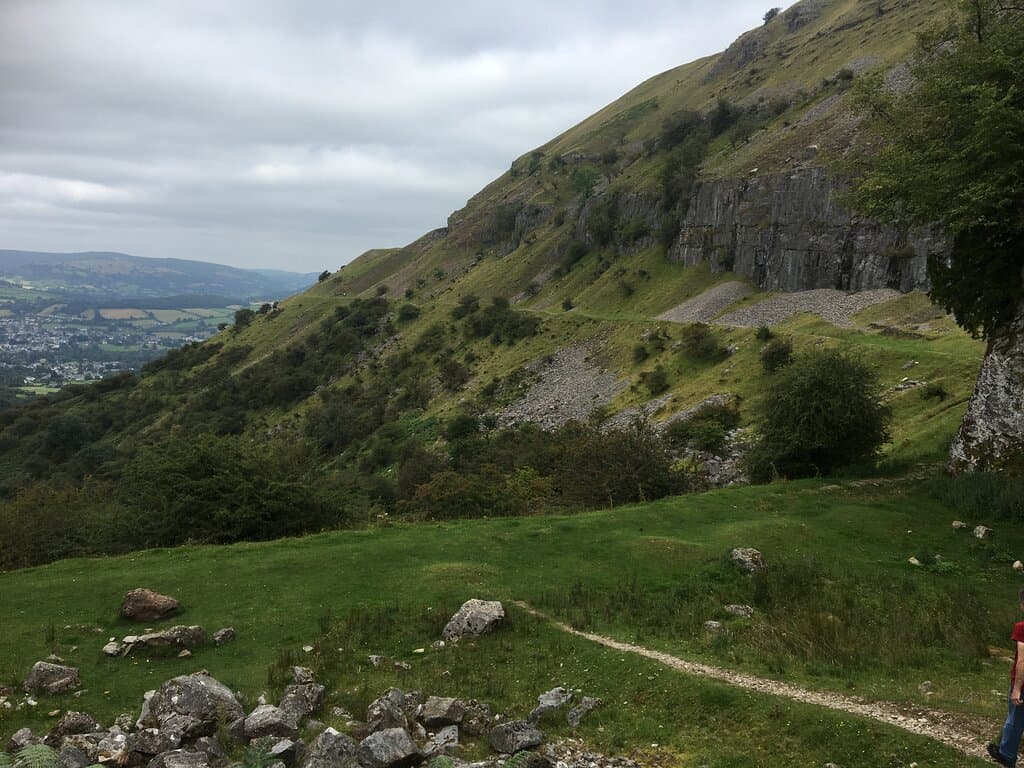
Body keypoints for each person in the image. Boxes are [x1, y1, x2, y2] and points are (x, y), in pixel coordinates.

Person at [989, 590, 1024, 766]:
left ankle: (1007, 755)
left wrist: (1017, 688)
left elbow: (1022, 660)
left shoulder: (1022, 627)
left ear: (1022, 604)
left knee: (1015, 720)